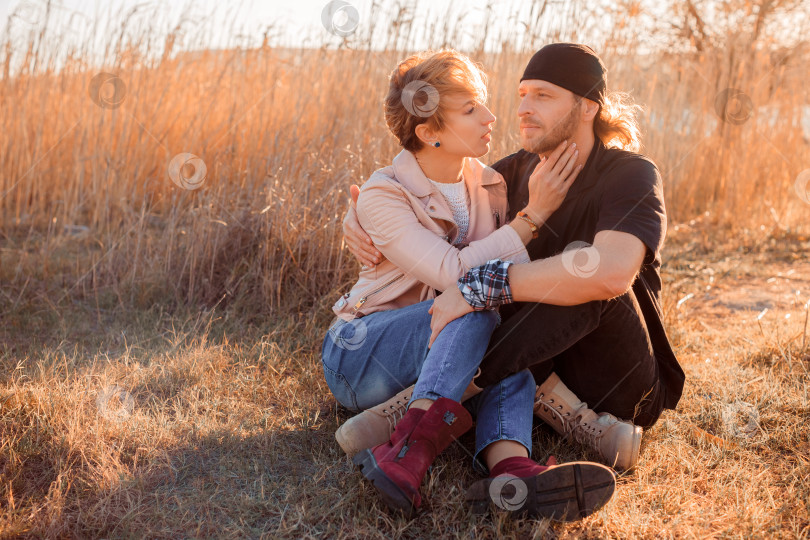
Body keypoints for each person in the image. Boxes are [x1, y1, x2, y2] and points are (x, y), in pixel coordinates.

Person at [343, 43, 686, 474]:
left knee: (583, 269)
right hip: (540, 368)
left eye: (543, 95)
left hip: (621, 381)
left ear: (588, 108)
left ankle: (413, 409)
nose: (523, 107)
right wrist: (356, 216)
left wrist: (483, 287)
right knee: (509, 289)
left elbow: (613, 273)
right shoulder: (511, 176)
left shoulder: (631, 174)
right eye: (522, 93)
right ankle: (493, 444)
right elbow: (431, 177)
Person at [322, 49, 615, 520]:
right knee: (476, 302)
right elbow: (457, 275)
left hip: (446, 350)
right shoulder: (384, 194)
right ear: (429, 132)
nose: (492, 115)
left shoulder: (492, 183)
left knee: (500, 327)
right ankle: (410, 446)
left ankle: (511, 468)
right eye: (470, 109)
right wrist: (532, 216)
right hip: (362, 354)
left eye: (483, 103)